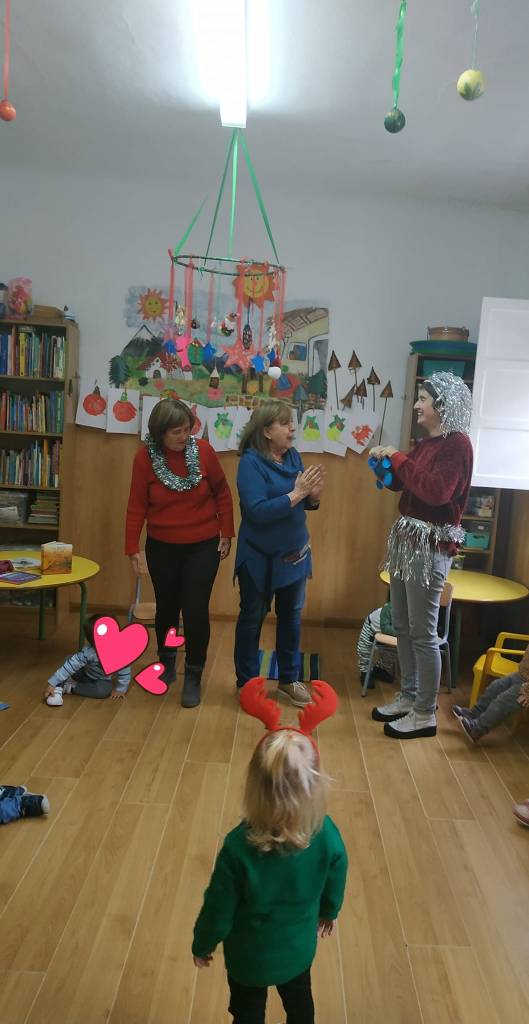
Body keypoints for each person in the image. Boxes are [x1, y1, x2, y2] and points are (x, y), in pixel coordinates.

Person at [192, 676, 348, 1024]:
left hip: (249, 959)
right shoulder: (326, 834)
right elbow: (337, 874)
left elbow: (218, 908)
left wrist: (203, 944)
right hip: (298, 951)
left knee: (247, 1012)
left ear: (253, 786)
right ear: (315, 785)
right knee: (300, 1005)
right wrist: (330, 911)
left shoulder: (238, 848)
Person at [369, 371, 473, 739]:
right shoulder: (428, 443)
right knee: (403, 624)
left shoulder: (457, 444)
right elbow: (405, 482)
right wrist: (386, 467)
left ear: (442, 405)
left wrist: (398, 457)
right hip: (407, 543)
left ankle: (425, 713)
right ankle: (409, 697)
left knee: (423, 633)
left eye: (423, 399)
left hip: (430, 549)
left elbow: (436, 492)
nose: (416, 405)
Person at [125, 398, 234, 708]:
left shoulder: (205, 452)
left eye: (187, 429)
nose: (184, 436)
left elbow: (223, 493)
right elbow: (136, 505)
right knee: (167, 608)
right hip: (161, 546)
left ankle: (194, 675)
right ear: (160, 433)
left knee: (195, 609)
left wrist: (226, 532)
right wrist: (132, 548)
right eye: (177, 432)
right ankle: (168, 663)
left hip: (203, 545)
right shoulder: (144, 458)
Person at [234, 400, 325, 708]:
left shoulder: (293, 456)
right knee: (252, 619)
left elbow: (303, 503)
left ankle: (288, 680)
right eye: (285, 424)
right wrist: (298, 493)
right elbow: (257, 512)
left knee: (291, 619)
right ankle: (247, 684)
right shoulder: (250, 463)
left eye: (292, 423)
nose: (292, 429)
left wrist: (313, 498)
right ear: (266, 431)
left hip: (294, 556)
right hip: (258, 558)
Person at [43, 613, 131, 706]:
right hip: (83, 673)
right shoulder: (89, 652)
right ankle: (57, 687)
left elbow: (124, 673)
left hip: (101, 680)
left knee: (103, 691)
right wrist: (53, 683)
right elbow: (70, 666)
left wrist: (120, 689)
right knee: (68, 660)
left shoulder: (120, 653)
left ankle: (70, 687)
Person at [453, 641, 529, 743]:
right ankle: (474, 714)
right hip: (521, 674)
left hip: (526, 689)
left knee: (503, 702)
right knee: (495, 687)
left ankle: (477, 729)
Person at [357, 601, 396, 686]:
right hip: (371, 629)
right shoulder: (389, 608)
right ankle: (365, 672)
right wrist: (401, 632)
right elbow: (385, 628)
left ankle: (379, 669)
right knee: (365, 650)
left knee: (391, 653)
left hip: (390, 634)